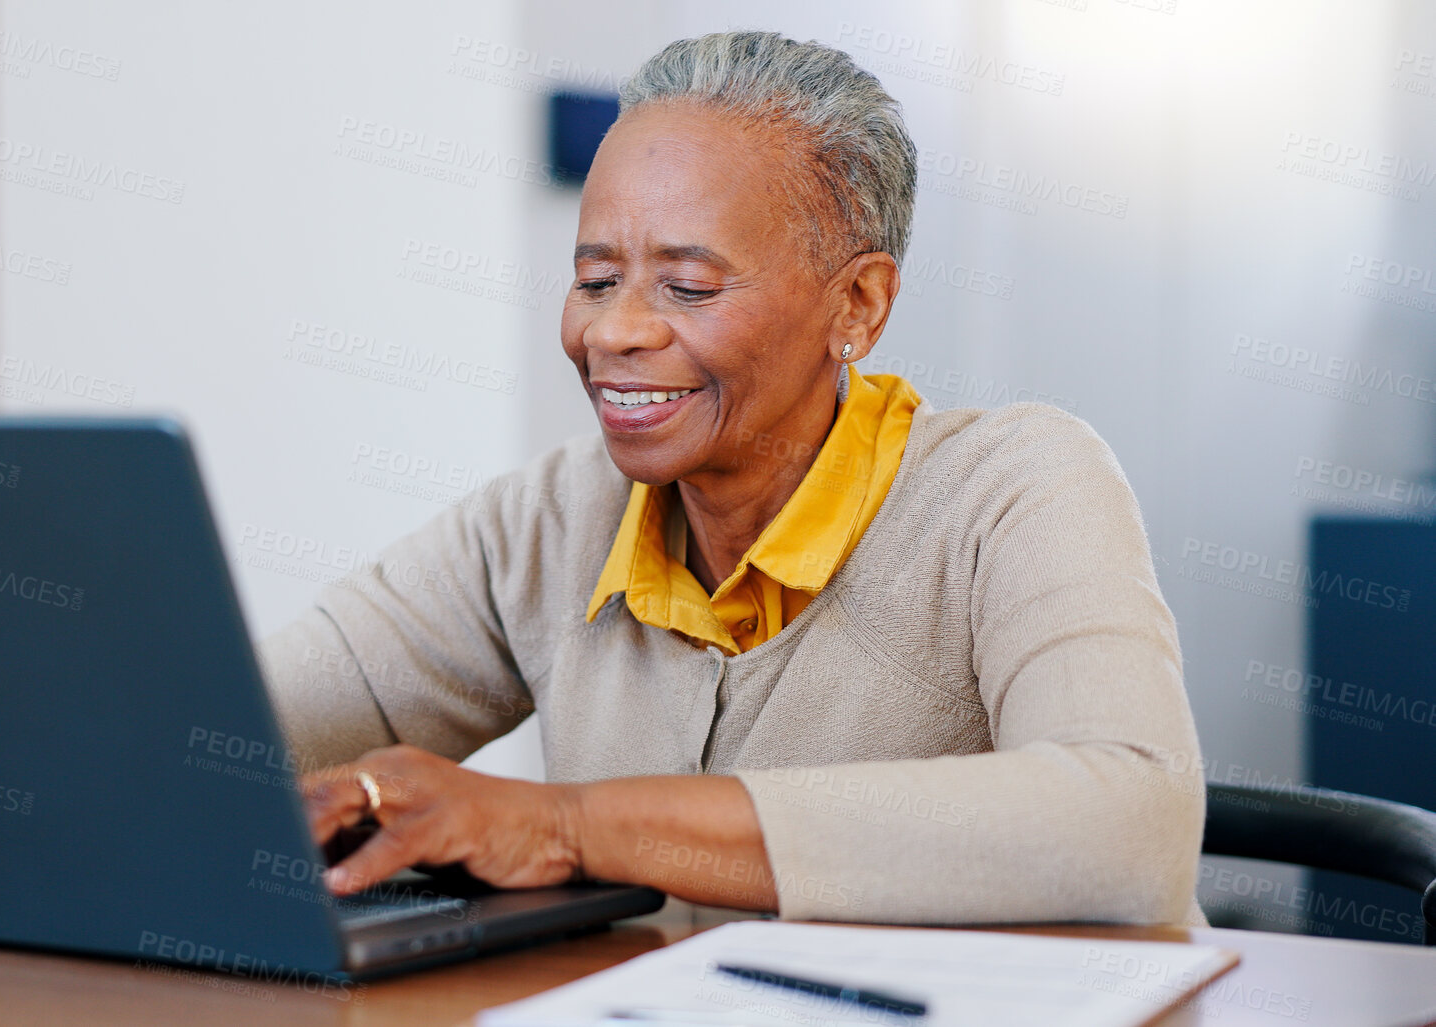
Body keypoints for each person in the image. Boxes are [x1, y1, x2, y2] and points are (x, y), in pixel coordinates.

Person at [259, 30, 1205, 925]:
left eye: (689, 287)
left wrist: (565, 825)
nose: (613, 332)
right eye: (594, 281)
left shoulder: (1016, 486)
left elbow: (1128, 822)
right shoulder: (548, 521)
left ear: (858, 303)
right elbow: (233, 734)